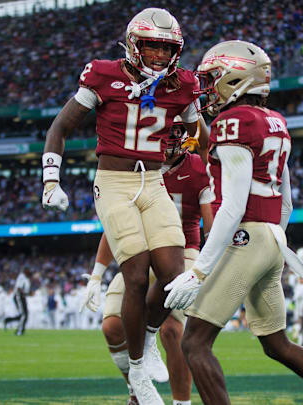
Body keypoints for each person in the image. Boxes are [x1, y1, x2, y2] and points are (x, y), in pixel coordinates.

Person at [163, 40, 303, 405]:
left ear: (235, 79)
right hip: (271, 238)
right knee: (276, 344)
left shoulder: (232, 121)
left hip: (245, 236)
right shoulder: (275, 121)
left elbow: (232, 207)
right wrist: (270, 242)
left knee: (195, 342)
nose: (208, 86)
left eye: (214, 77)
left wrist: (200, 271)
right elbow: (287, 202)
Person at [40, 7, 203, 404]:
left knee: (172, 275)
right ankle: (137, 373)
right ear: (134, 44)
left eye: (168, 50)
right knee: (134, 275)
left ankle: (147, 339)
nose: (161, 57)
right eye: (153, 48)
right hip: (114, 182)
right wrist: (50, 179)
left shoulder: (182, 84)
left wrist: (198, 146)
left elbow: (198, 130)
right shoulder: (103, 74)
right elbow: (60, 126)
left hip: (154, 181)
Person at [83, 119, 214, 405]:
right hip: (142, 251)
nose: (167, 140)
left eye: (174, 134)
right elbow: (113, 225)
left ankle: (182, 403)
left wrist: (210, 261)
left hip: (184, 251)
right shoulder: (137, 167)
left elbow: (210, 225)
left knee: (171, 329)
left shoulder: (196, 166)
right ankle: (138, 391)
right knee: (112, 326)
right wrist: (96, 275)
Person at [4, 269, 31, 336]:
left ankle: (8, 320)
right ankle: (19, 331)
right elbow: (19, 288)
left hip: (22, 297)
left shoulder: (26, 278)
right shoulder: (22, 277)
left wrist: (27, 293)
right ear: (25, 272)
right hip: (19, 297)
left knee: (25, 315)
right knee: (23, 315)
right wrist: (24, 293)